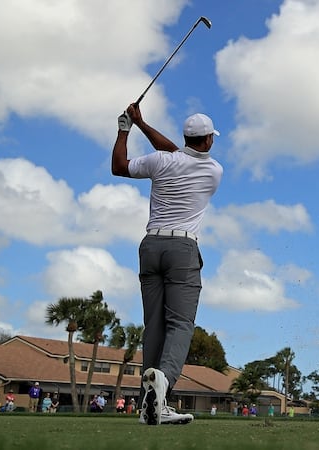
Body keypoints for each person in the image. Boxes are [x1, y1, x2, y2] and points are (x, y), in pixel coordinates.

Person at [112, 103, 223, 426]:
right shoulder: (213, 170)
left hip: (150, 246)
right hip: (182, 248)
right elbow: (179, 153)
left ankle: (154, 403)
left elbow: (120, 166)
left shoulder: (162, 161)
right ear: (208, 141)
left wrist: (127, 129)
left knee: (155, 326)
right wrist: (142, 125)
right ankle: (164, 381)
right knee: (181, 324)